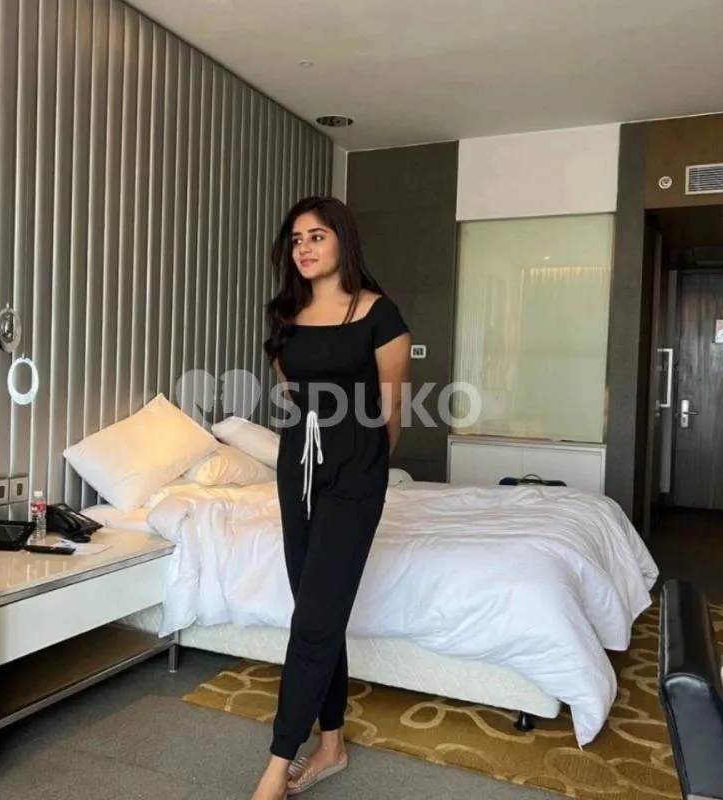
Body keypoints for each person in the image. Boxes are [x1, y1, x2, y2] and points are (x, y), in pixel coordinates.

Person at [252, 197, 411, 799]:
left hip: (356, 468)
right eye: (296, 240)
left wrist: (364, 466)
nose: (305, 248)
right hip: (298, 464)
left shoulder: (379, 314)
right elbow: (295, 395)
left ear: (343, 240)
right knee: (317, 608)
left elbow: (391, 414)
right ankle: (332, 743)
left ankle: (275, 768)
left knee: (316, 614)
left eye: (317, 236)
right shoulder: (286, 316)